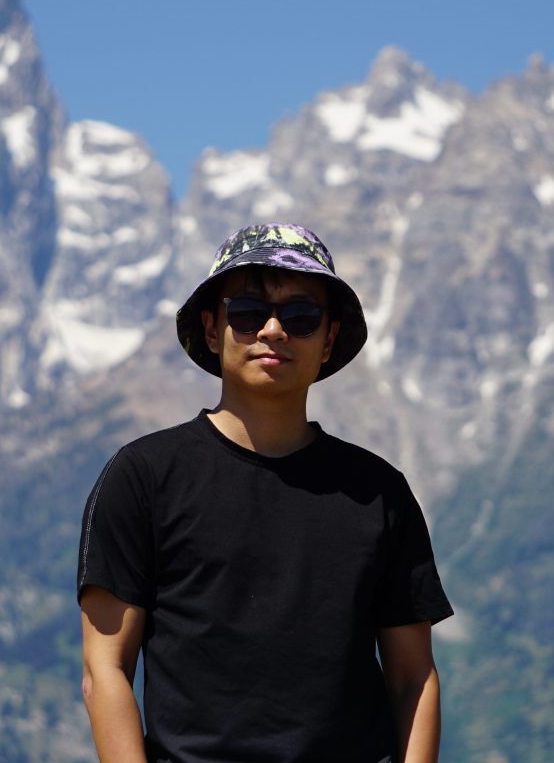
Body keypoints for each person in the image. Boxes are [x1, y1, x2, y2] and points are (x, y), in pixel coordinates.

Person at [77, 223, 453, 762]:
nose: (273, 331)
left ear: (328, 340)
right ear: (212, 330)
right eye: (248, 313)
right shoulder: (142, 477)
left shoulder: (380, 492)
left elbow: (413, 678)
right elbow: (104, 670)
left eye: (301, 317)